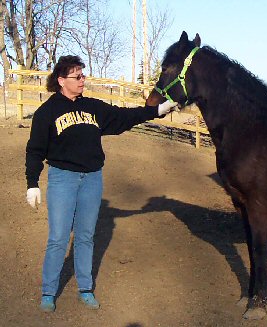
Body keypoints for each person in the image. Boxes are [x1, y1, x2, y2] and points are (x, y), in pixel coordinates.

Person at [25, 55, 176, 312]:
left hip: (92, 179)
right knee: (59, 238)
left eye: (83, 75)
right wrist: (32, 183)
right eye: (78, 76)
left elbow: (123, 117)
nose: (83, 80)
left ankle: (85, 288)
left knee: (85, 236)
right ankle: (49, 292)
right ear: (62, 80)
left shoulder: (93, 107)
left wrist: (156, 111)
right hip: (63, 179)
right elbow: (35, 150)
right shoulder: (46, 113)